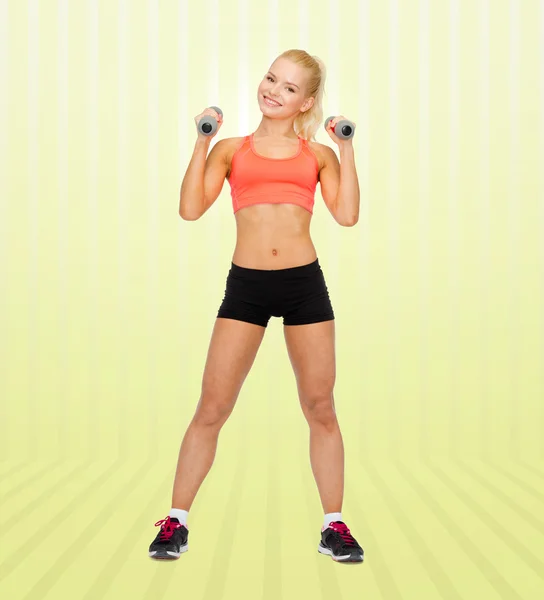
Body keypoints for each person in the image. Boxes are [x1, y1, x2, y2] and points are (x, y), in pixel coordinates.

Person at [148, 48, 364, 564]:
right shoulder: (230, 149)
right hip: (246, 285)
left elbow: (348, 215)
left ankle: (335, 526)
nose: (274, 90)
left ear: (306, 101)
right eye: (271, 79)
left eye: (289, 88)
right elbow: (190, 208)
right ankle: (174, 522)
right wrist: (200, 143)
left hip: (303, 284)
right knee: (212, 407)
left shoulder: (318, 156)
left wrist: (347, 147)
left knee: (320, 407)